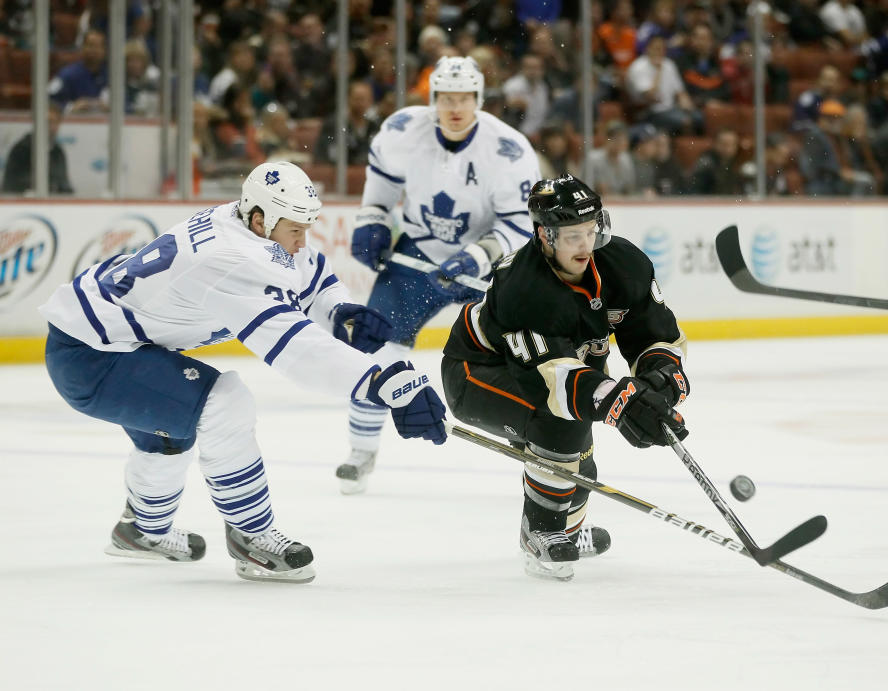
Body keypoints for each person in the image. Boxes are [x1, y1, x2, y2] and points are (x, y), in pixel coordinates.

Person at [39, 161, 447, 584]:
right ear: (260, 220)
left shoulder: (243, 222)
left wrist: (337, 309)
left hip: (105, 340)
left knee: (173, 425)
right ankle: (251, 537)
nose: (301, 242)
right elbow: (297, 350)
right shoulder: (231, 259)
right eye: (295, 230)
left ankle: (142, 530)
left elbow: (307, 271)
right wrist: (380, 383)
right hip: (93, 357)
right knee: (224, 403)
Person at [440, 174, 690, 581]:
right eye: (573, 236)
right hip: (477, 372)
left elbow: (656, 336)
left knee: (581, 469)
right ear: (545, 235)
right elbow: (549, 382)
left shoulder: (622, 264)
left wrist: (657, 384)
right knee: (558, 423)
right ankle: (541, 534)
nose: (586, 245)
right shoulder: (522, 285)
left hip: (552, 373)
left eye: (591, 231)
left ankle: (567, 534)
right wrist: (618, 401)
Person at [339, 56, 541, 494]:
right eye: (446, 98)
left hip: (487, 268)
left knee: (522, 359)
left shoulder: (508, 149)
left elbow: (519, 224)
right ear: (432, 99)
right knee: (372, 343)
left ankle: (539, 454)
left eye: (464, 98)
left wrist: (476, 257)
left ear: (479, 100)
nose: (455, 108)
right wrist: (371, 218)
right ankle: (360, 450)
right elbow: (382, 183)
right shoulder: (401, 131)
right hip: (418, 253)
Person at [1, 102, 74, 195]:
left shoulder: (58, 151)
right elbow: (11, 185)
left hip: (53, 205)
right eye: (48, 121)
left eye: (55, 122)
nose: (51, 126)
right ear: (37, 123)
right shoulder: (21, 150)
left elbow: (64, 183)